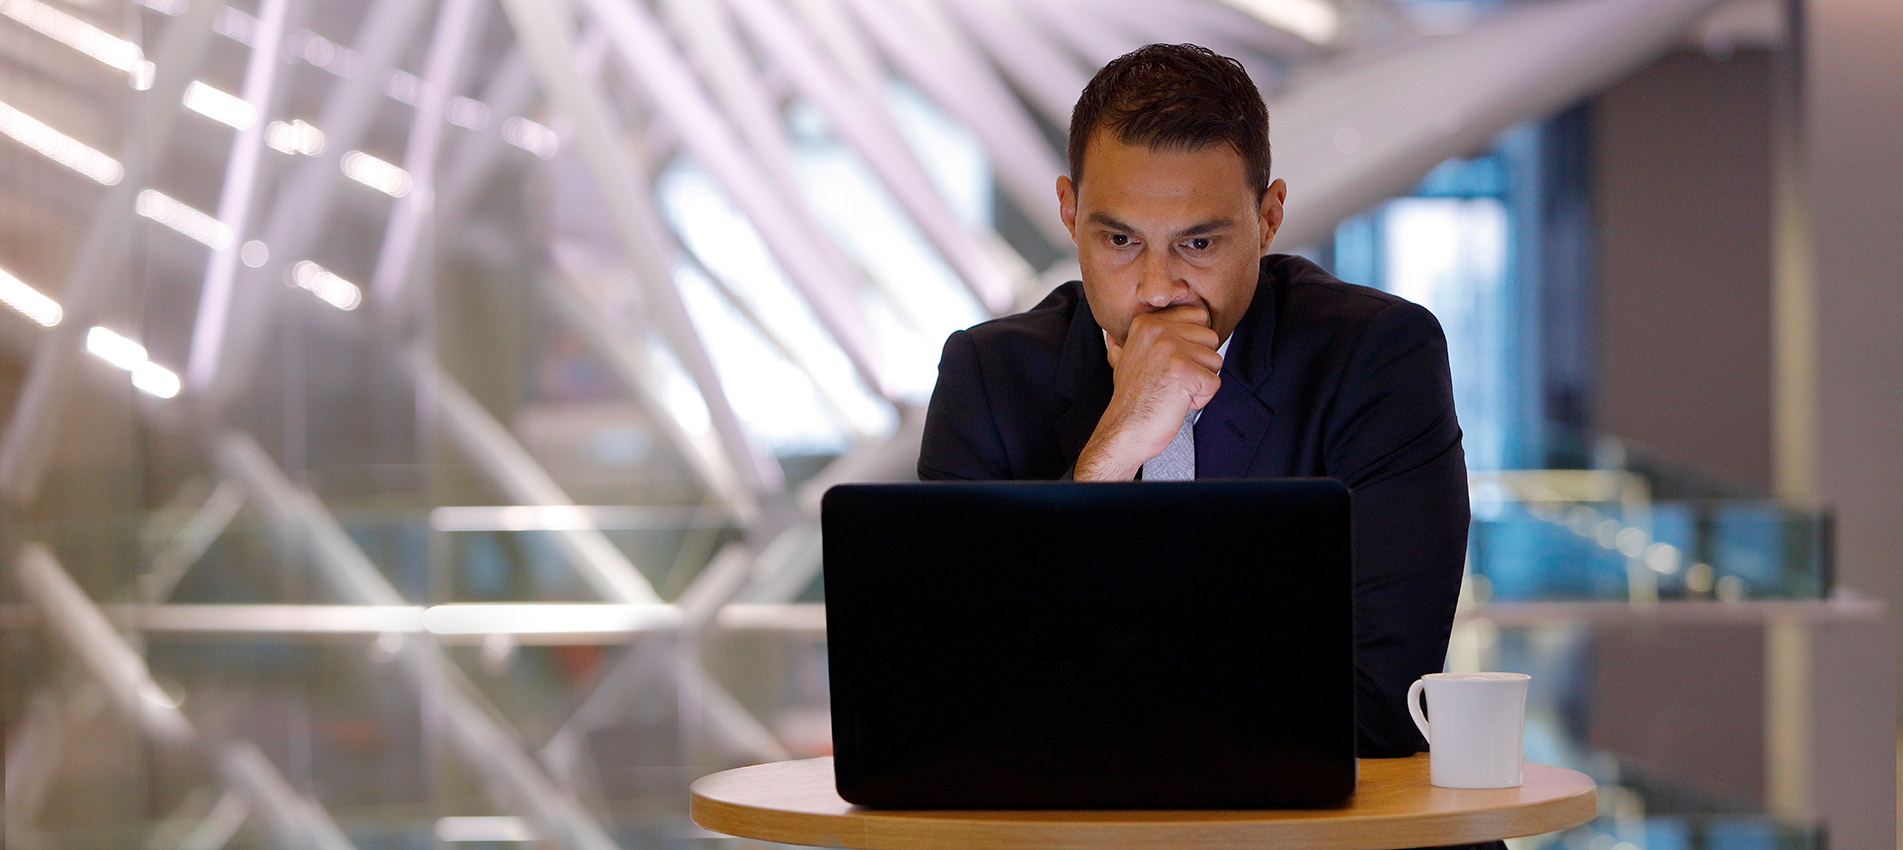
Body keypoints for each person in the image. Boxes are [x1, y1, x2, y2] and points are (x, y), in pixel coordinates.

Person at [919, 42, 1483, 847]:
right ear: (1068, 211)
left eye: (1198, 244)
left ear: (1269, 216)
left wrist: (1080, 686)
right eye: (1118, 242)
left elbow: (1377, 700)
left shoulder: (1375, 356)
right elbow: (955, 704)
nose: (1156, 288)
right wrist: (1109, 453)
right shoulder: (988, 373)